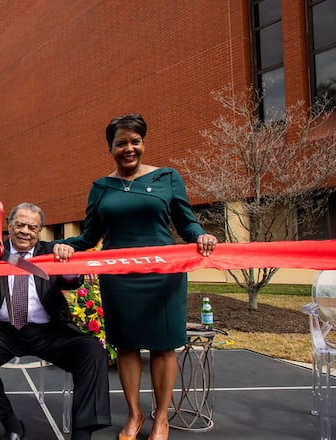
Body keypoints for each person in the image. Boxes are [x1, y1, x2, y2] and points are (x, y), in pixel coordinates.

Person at [53, 114, 217, 440]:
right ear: (110, 148)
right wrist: (62, 246)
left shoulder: (168, 177)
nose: (129, 149)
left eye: (135, 142)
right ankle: (134, 414)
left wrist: (201, 235)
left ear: (143, 143)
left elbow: (186, 223)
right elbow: (88, 237)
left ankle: (161, 419)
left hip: (163, 275)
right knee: (126, 346)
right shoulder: (101, 188)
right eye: (121, 143)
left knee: (163, 347)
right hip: (120, 278)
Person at [0, 202, 111, 440]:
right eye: (19, 225)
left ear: (39, 231)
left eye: (32, 227)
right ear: (9, 226)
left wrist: (67, 263)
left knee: (93, 352)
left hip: (49, 330)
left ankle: (82, 434)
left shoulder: (50, 251)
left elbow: (72, 282)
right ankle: (11, 423)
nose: (25, 231)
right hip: (2, 330)